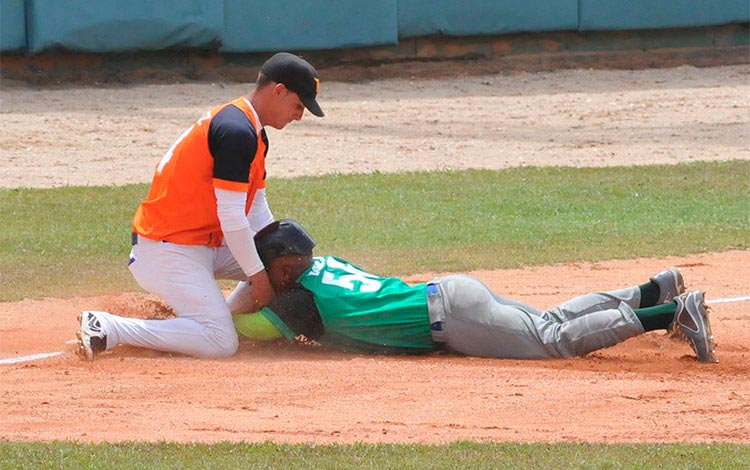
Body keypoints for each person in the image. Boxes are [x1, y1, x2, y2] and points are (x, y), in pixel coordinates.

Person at [76, 53, 325, 360]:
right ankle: (110, 328)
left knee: (287, 262)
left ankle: (222, 316)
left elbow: (257, 209)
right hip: (167, 249)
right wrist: (259, 276)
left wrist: (278, 257)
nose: (299, 116)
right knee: (220, 342)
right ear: (278, 91)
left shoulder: (254, 133)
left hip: (203, 244)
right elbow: (232, 216)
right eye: (299, 105)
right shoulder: (235, 131)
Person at [231, 220, 718, 363]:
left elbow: (246, 327)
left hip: (455, 319)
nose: (261, 279)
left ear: (286, 268)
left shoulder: (298, 301)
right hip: (452, 294)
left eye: (266, 271)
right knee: (549, 321)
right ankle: (654, 288)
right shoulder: (326, 266)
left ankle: (673, 312)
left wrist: (224, 299)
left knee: (554, 343)